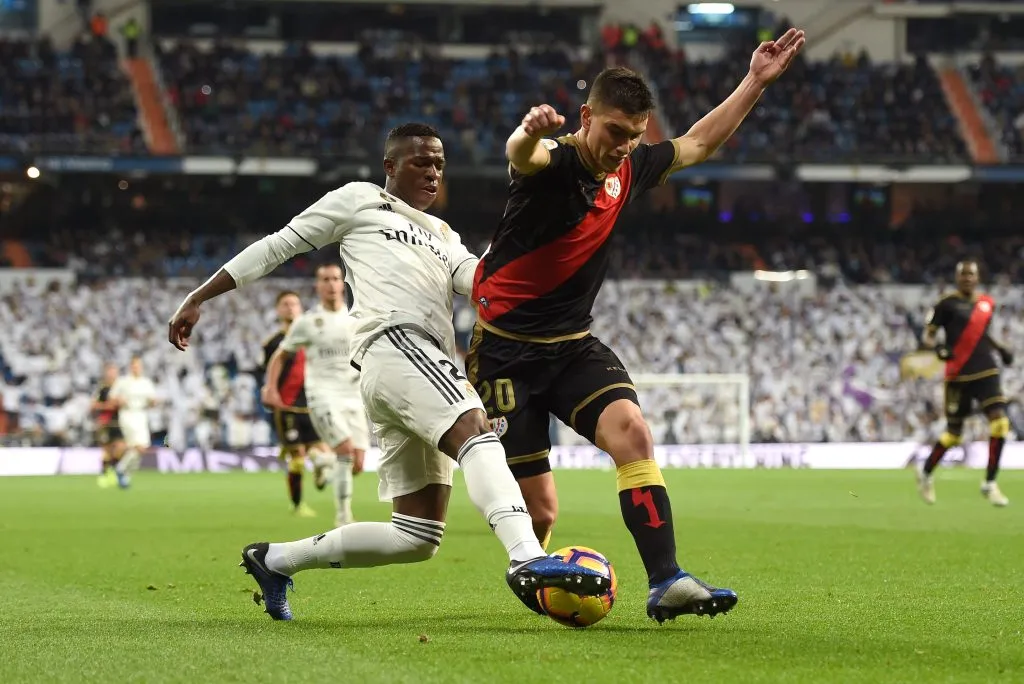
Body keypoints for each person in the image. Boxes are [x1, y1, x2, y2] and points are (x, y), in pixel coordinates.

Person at [167, 123, 607, 621]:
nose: (433, 172)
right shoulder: (359, 200)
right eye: (422, 161)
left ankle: (274, 559)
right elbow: (279, 245)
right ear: (390, 166)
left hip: (410, 368)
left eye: (440, 164)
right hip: (397, 343)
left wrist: (539, 241)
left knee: (416, 535)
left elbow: (482, 283)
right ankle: (527, 557)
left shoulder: (444, 236)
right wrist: (199, 295)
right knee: (475, 431)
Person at [467, 29, 806, 623]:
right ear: (586, 117)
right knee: (539, 511)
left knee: (634, 436)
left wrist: (754, 80)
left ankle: (666, 579)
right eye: (614, 132)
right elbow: (522, 155)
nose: (623, 146)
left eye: (634, 135)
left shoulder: (629, 168)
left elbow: (699, 142)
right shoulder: (557, 162)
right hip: (505, 355)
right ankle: (537, 578)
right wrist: (529, 130)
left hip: (571, 346)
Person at [264, 265, 368, 528]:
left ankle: (323, 463)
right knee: (344, 451)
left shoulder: (358, 319)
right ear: (318, 286)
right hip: (323, 394)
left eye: (335, 279)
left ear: (343, 283)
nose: (331, 284)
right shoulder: (308, 322)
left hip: (353, 395)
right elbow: (281, 355)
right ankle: (343, 516)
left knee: (357, 463)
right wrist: (271, 388)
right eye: (325, 280)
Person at [918, 260, 1012, 507]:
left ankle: (990, 483)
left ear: (978, 277)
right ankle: (926, 473)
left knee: (1000, 423)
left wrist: (1001, 349)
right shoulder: (946, 304)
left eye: (971, 274)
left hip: (986, 370)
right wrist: (938, 348)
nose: (967, 279)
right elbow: (928, 334)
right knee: (953, 436)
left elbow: (983, 335)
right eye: (963, 275)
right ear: (957, 277)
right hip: (958, 374)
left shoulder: (986, 304)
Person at [260, 290, 331, 518]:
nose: (290, 307)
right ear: (278, 310)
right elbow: (270, 372)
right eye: (285, 304)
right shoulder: (273, 343)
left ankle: (321, 470)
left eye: (294, 304)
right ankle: (298, 505)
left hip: (311, 404)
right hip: (287, 406)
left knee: (324, 454)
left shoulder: (312, 336)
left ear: (300, 308)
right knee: (298, 458)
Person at [110, 356, 157, 489]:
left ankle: (124, 474)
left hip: (141, 414)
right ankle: (122, 470)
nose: (137, 368)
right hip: (127, 414)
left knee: (141, 449)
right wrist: (119, 400)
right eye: (135, 365)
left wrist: (153, 402)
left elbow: (152, 400)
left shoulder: (146, 382)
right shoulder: (123, 381)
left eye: (139, 365)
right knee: (138, 447)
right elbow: (112, 397)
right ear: (131, 367)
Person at [92, 363, 125, 489]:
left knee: (121, 448)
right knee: (106, 450)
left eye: (114, 371)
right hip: (106, 422)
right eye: (110, 371)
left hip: (120, 422)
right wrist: (109, 405)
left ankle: (111, 469)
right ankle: (104, 473)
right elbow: (94, 405)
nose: (112, 374)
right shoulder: (102, 389)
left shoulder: (121, 387)